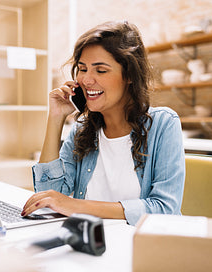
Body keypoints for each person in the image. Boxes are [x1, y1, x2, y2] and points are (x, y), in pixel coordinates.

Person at [21, 21, 185, 225]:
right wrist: (55, 117)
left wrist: (74, 205)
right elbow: (49, 195)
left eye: (100, 71)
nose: (87, 80)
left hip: (142, 247)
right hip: (92, 245)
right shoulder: (82, 130)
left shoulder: (163, 124)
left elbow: (164, 208)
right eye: (82, 69)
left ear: (129, 76)